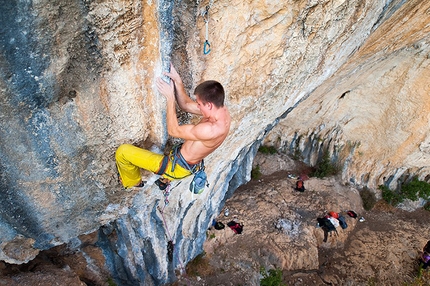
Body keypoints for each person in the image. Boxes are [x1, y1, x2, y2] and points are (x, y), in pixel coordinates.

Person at [115, 64, 231, 189]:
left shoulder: (210, 130)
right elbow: (185, 105)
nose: (197, 107)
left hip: (175, 167)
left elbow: (173, 130)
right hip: (184, 160)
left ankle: (133, 182)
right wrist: (177, 81)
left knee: (122, 152)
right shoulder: (220, 111)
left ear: (209, 105)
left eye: (199, 104)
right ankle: (165, 180)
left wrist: (170, 98)